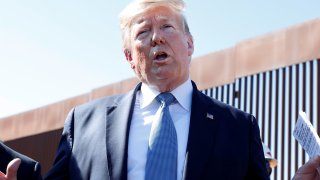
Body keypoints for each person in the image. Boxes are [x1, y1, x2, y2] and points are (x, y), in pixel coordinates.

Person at [2, 0, 269, 179]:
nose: (157, 37)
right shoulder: (83, 124)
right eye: (143, 32)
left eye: (167, 26)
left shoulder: (238, 127)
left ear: (189, 44)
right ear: (129, 57)